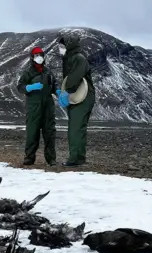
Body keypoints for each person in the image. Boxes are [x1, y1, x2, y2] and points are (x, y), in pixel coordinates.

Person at [56, 31, 96, 167]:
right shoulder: (69, 58)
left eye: (62, 46)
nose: (60, 49)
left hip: (82, 97)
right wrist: (62, 91)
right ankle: (79, 157)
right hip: (81, 97)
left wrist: (64, 91)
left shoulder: (78, 58)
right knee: (79, 128)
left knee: (74, 128)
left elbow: (74, 78)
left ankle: (74, 159)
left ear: (69, 45)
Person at [17, 46, 58, 166]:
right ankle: (29, 158)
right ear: (32, 57)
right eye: (36, 55)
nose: (39, 57)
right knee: (32, 133)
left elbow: (54, 85)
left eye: (41, 55)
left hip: (48, 107)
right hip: (34, 107)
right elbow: (20, 86)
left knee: (50, 133)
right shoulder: (28, 72)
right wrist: (29, 87)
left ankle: (51, 159)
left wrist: (58, 91)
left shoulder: (48, 72)